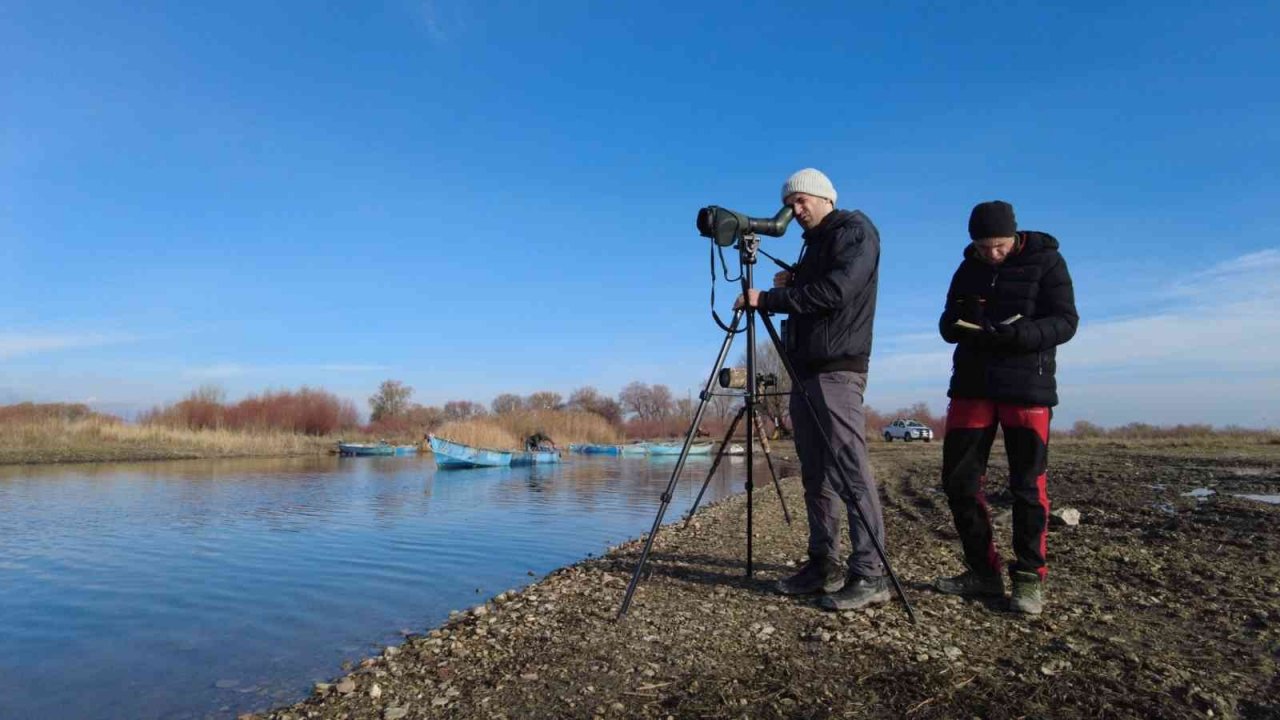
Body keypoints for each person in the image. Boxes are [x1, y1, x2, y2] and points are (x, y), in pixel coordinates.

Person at [735, 168, 889, 611]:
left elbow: (837, 292)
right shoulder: (817, 241)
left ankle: (871, 573)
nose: (795, 211)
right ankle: (824, 564)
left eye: (802, 201)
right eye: (791, 203)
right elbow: (816, 288)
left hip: (837, 369)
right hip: (804, 368)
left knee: (848, 468)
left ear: (824, 198)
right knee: (815, 472)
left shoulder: (855, 231)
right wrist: (795, 282)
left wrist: (769, 299)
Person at [934, 200, 1078, 615]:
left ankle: (1030, 579)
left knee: (1027, 487)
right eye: (983, 247)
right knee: (959, 483)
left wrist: (1019, 334)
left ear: (1013, 236)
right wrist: (958, 323)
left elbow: (1067, 321)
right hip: (972, 384)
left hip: (1027, 387)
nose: (991, 254)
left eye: (998, 246)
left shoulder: (1048, 262)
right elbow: (946, 323)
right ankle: (983, 573)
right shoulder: (967, 268)